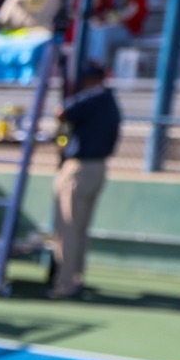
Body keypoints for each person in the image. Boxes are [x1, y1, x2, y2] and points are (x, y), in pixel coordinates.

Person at [48, 64, 119, 301]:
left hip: (80, 168)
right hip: (98, 168)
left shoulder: (92, 97)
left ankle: (65, 284)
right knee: (79, 229)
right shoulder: (109, 100)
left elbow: (61, 112)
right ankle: (75, 278)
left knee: (68, 229)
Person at [84, 0, 149, 68]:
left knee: (103, 33)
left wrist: (122, 20)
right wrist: (100, 5)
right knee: (90, 30)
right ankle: (88, 64)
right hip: (112, 26)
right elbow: (103, 9)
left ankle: (98, 66)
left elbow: (141, 14)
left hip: (129, 30)